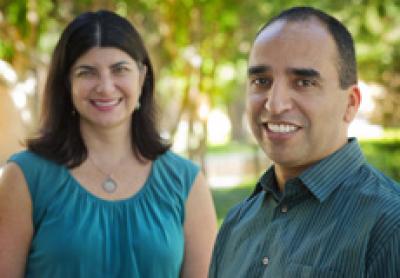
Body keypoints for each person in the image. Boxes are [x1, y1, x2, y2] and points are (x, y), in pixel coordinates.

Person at [0, 10, 217, 278]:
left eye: (119, 70)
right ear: (67, 83)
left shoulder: (186, 182)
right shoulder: (24, 177)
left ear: (142, 77)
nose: (105, 87)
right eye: (86, 72)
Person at [209, 6, 400, 278]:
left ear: (350, 103)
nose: (275, 104)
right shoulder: (237, 223)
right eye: (261, 80)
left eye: (303, 83)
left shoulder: (390, 227)